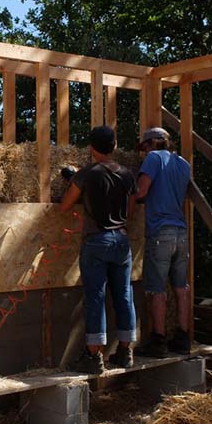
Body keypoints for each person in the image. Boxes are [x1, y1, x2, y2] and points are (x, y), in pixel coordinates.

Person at [60, 125, 138, 374]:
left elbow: (65, 205)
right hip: (121, 241)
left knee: (96, 296)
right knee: (124, 295)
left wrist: (77, 185)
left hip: (96, 241)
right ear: (114, 146)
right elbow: (130, 210)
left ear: (91, 148)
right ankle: (125, 351)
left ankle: (94, 357)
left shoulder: (86, 175)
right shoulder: (126, 174)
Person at [136, 127, 192, 357]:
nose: (144, 152)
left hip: (160, 232)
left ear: (152, 144)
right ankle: (183, 338)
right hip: (181, 232)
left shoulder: (153, 158)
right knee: (181, 288)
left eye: (145, 147)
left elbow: (141, 192)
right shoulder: (183, 164)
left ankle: (158, 341)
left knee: (156, 289)